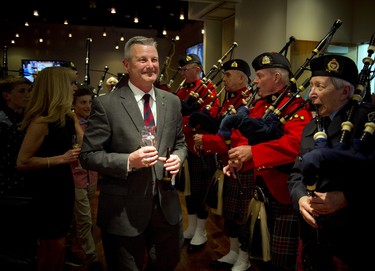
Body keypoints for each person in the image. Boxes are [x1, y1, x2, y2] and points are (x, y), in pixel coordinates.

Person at [79, 36, 187, 271]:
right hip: (123, 212)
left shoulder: (172, 101)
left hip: (167, 209)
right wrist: (128, 161)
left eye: (154, 59)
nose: (151, 65)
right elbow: (87, 155)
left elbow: (180, 143)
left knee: (167, 264)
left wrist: (179, 157)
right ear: (126, 64)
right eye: (142, 59)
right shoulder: (106, 105)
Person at [223, 52, 313, 271]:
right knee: (260, 254)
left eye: (259, 75)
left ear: (275, 78)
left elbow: (294, 146)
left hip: (283, 193)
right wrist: (239, 160)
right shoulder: (262, 106)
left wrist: (253, 152)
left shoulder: (297, 108)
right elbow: (249, 136)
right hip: (260, 189)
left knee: (282, 261)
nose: (254, 80)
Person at [288, 54, 375, 270]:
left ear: (345, 92)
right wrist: (300, 199)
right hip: (312, 236)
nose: (311, 94)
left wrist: (346, 198)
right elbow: (296, 174)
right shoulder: (311, 127)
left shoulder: (366, 121)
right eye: (311, 86)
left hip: (353, 240)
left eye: (319, 86)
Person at [16, 66, 83, 271]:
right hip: (46, 190)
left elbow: (81, 143)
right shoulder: (41, 122)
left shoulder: (67, 117)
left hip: (63, 185)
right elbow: (22, 162)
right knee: (54, 244)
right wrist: (60, 159)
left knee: (53, 244)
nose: (75, 87)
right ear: (58, 87)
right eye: (71, 83)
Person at [192, 59, 254, 271]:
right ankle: (234, 252)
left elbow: (236, 138)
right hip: (226, 164)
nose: (224, 79)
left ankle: (244, 258)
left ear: (242, 78)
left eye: (228, 75)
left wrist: (206, 141)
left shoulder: (247, 102)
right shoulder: (230, 101)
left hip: (241, 166)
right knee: (230, 214)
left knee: (241, 216)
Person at [175, 53, 220, 253]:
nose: (184, 73)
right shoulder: (181, 90)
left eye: (187, 69)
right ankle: (191, 226)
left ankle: (201, 231)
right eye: (182, 70)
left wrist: (184, 123)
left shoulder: (209, 89)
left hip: (201, 147)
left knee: (200, 191)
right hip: (184, 146)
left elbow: (204, 119)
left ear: (198, 68)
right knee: (187, 189)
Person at [65, 86, 103, 270]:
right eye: (83, 102)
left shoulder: (94, 122)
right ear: (74, 104)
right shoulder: (69, 123)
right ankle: (92, 257)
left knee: (81, 218)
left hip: (91, 176)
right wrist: (73, 119)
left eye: (89, 102)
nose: (87, 106)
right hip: (76, 177)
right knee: (84, 219)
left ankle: (70, 248)